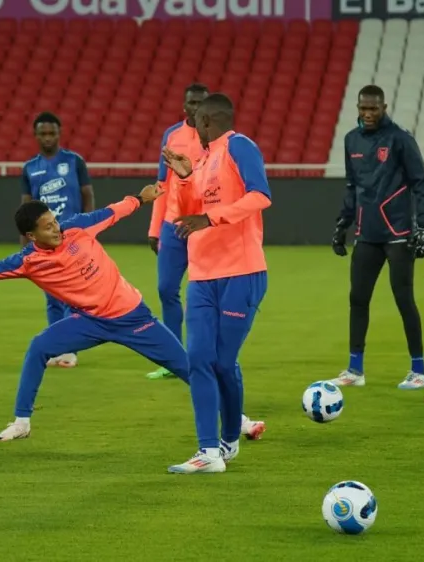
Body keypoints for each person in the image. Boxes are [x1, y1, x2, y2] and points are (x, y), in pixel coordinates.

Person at [0, 188, 227, 472]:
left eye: (54, 220)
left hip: (132, 317)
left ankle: (237, 420)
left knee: (187, 368)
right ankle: (22, 422)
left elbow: (112, 212)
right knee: (40, 346)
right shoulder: (27, 261)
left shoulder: (77, 229)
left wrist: (140, 199)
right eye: (47, 227)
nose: (56, 228)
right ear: (31, 236)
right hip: (90, 322)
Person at [161, 93, 271, 473]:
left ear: (209, 120)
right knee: (198, 361)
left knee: (224, 363)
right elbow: (191, 213)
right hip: (203, 275)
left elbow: (260, 196)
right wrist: (186, 177)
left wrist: (211, 219)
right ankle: (208, 452)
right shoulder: (204, 160)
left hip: (241, 271)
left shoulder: (240, 147)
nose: (192, 124)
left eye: (196, 119)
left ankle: (228, 441)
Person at [329, 85, 424, 390]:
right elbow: (352, 186)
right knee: (358, 299)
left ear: (384, 107)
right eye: (363, 108)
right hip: (367, 234)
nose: (368, 113)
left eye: (374, 108)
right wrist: (343, 224)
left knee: (404, 299)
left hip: (399, 233)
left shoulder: (400, 139)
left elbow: (421, 184)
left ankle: (419, 371)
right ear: (358, 107)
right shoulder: (352, 140)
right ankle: (354, 370)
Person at [21, 111, 95, 369]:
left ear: (59, 134)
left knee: (72, 297)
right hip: (44, 243)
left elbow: (87, 194)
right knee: (52, 297)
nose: (48, 138)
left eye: (52, 133)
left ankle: (70, 350)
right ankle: (56, 348)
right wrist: (25, 241)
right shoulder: (30, 167)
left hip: (71, 239)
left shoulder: (74, 162)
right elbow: (26, 205)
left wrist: (89, 228)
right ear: (36, 135)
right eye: (43, 133)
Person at [144, 83, 208, 381]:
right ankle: (173, 358)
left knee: (203, 294)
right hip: (172, 226)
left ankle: (202, 355)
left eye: (201, 103)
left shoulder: (216, 139)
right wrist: (154, 229)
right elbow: (163, 185)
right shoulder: (172, 136)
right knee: (166, 289)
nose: (196, 107)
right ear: (185, 105)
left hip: (202, 229)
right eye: (192, 102)